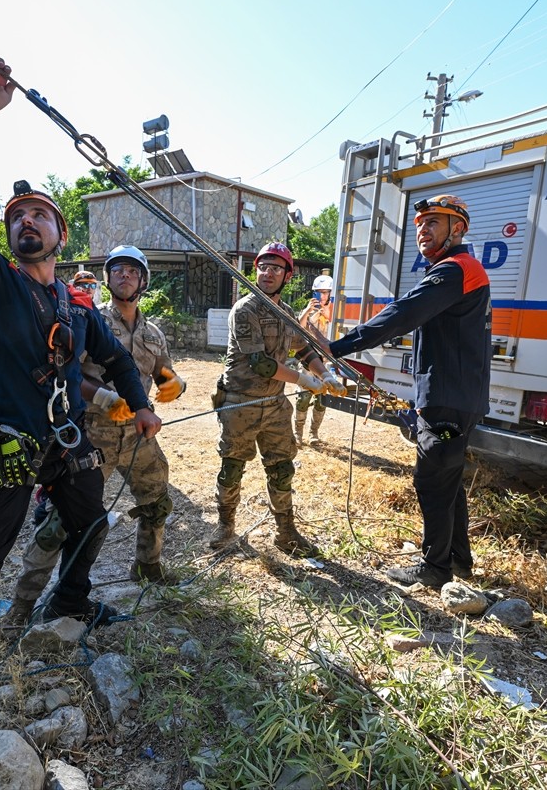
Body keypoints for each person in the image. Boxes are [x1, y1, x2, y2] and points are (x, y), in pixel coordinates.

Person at [0, 47, 162, 760]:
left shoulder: (74, 302)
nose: (26, 222)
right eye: (17, 216)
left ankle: (71, 598)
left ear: (59, 234)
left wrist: (140, 402)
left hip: (64, 440)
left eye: (40, 216)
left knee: (91, 517)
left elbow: (112, 357)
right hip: (5, 441)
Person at [6, 245, 186, 624]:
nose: (125, 276)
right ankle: (23, 604)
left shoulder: (153, 332)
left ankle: (147, 567)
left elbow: (164, 371)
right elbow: (68, 373)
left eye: (133, 272)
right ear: (108, 277)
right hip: (90, 435)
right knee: (57, 523)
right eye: (118, 270)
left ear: (143, 281)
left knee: (157, 502)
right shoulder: (86, 319)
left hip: (138, 436)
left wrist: (176, 383)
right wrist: (103, 396)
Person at [320, 194, 491, 589]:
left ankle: (435, 568)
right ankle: (460, 559)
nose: (423, 230)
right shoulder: (460, 271)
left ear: (458, 229)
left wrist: (339, 346)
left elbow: (402, 314)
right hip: (454, 396)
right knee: (447, 479)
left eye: (434, 222)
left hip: (448, 399)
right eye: (420, 224)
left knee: (431, 481)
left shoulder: (454, 270)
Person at [209, 242, 345, 557]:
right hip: (241, 403)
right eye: (263, 267)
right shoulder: (245, 309)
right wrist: (302, 379)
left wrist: (326, 375)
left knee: (282, 467)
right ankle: (225, 527)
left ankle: (286, 532)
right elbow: (260, 363)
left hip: (274, 405)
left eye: (276, 268)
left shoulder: (284, 313)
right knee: (232, 467)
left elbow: (304, 348)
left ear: (287, 276)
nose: (268, 273)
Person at [294, 272, 335, 445]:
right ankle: (298, 434)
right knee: (303, 398)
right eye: (320, 292)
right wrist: (308, 311)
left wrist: (327, 312)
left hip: (326, 363)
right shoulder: (309, 310)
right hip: (308, 361)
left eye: (326, 292)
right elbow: (298, 328)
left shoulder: (335, 310)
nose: (323, 295)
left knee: (321, 401)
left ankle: (314, 434)